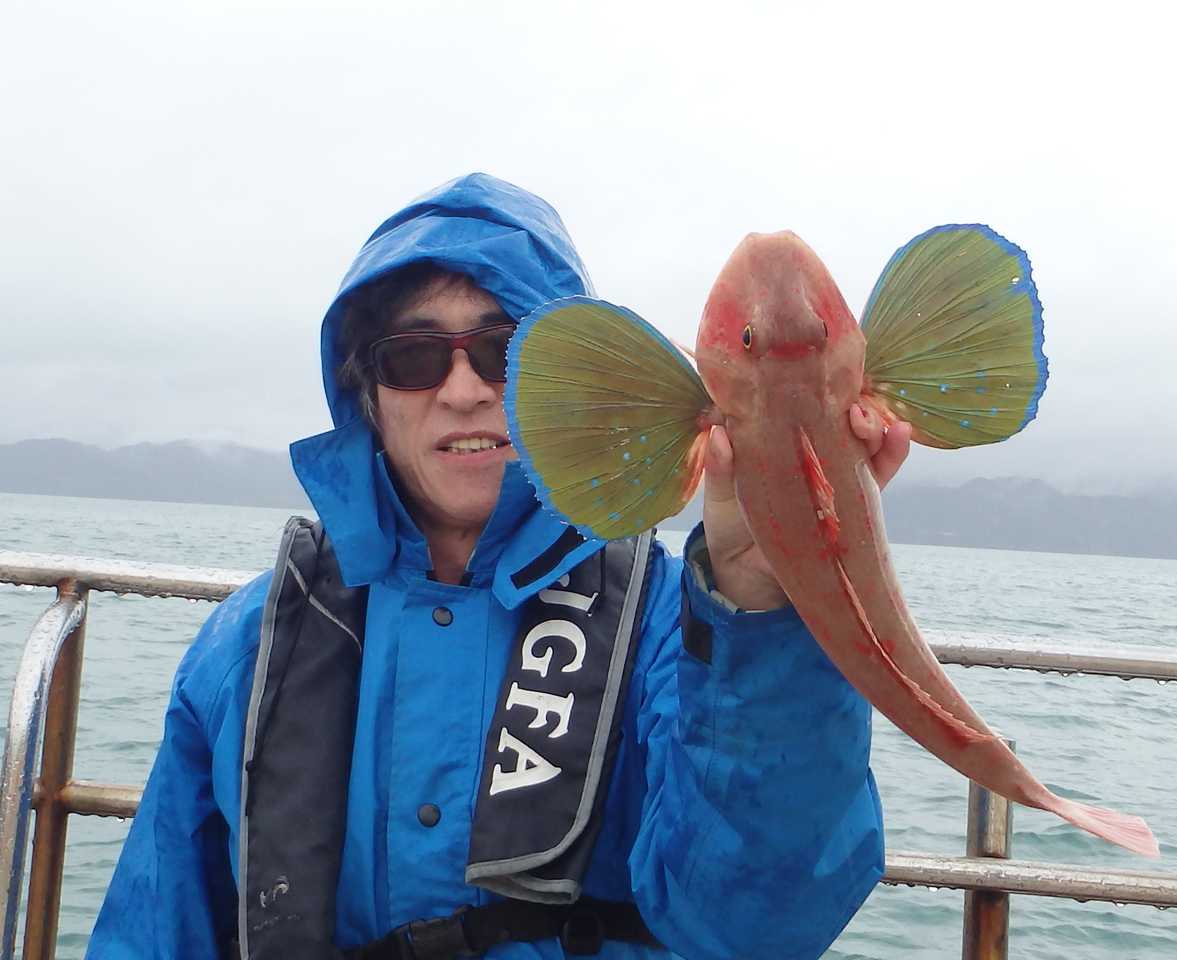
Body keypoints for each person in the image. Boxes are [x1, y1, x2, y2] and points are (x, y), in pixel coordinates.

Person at [87, 173, 910, 960]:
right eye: (413, 357)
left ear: (575, 383)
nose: (462, 390)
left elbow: (760, 930)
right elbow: (154, 930)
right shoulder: (246, 646)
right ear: (366, 391)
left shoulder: (680, 628)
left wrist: (769, 601)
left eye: (505, 350)